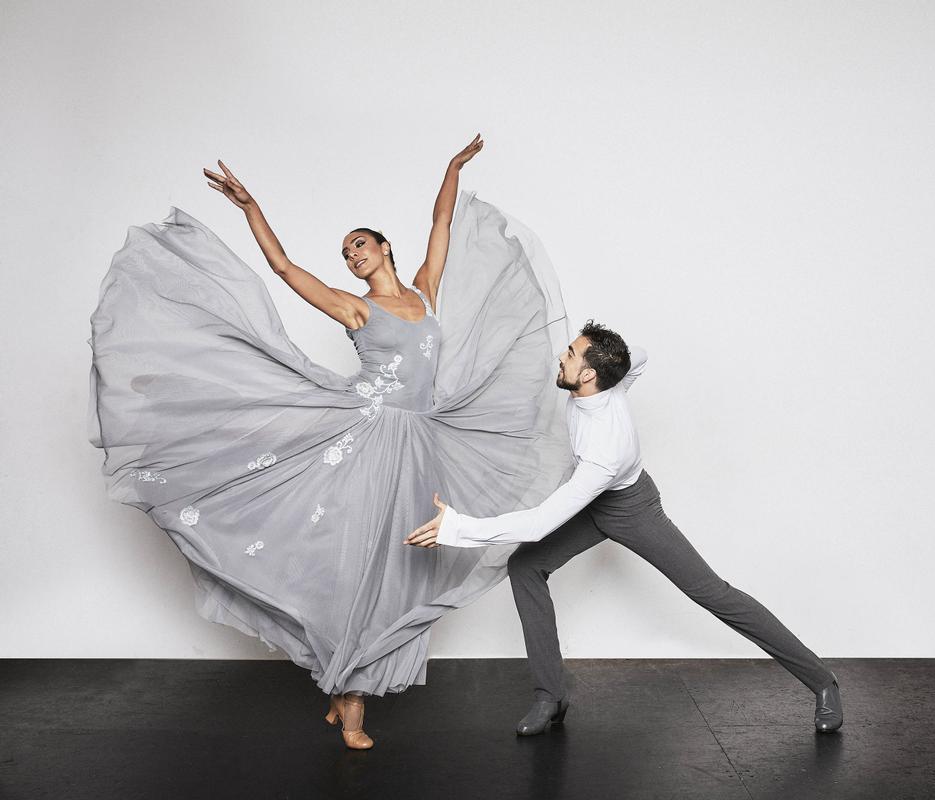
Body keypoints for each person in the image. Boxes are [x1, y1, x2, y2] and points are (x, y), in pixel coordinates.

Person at [87, 136, 574, 749]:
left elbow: (442, 222)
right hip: (369, 441)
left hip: (420, 445)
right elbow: (287, 271)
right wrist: (250, 207)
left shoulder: (424, 291)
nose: (351, 258)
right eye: (345, 254)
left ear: (383, 246)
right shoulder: (357, 310)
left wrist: (450, 170)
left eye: (359, 246)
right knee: (364, 567)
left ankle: (349, 678)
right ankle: (350, 704)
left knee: (407, 569)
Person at [405, 321, 844, 734]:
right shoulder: (605, 380)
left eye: (572, 353)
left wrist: (455, 528)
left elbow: (539, 523)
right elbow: (641, 356)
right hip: (590, 498)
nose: (562, 356)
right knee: (525, 568)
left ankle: (822, 681)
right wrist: (620, 357)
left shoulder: (605, 449)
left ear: (590, 373)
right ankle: (550, 695)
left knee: (711, 592)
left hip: (630, 508)